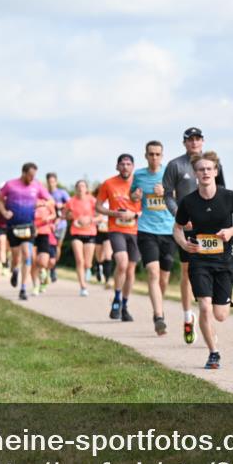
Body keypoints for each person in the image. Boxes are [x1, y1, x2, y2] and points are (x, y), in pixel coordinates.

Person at [173, 151, 233, 369]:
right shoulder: (188, 202)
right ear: (195, 173)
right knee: (205, 308)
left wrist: (231, 230)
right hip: (199, 260)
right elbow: (177, 228)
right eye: (201, 169)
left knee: (220, 315)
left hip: (225, 260)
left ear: (215, 172)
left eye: (209, 169)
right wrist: (183, 244)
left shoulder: (228, 196)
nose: (205, 172)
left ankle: (220, 309)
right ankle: (213, 353)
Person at [164, 127, 227, 344]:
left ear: (202, 141)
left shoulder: (212, 163)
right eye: (190, 139)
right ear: (184, 143)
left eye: (197, 139)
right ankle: (187, 316)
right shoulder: (176, 165)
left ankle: (208, 313)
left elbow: (223, 192)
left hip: (211, 229)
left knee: (214, 268)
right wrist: (178, 216)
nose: (194, 143)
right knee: (187, 271)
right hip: (189, 226)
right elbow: (167, 195)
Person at [132, 140, 178, 335]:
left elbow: (180, 195)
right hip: (146, 229)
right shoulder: (139, 175)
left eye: (157, 154)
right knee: (153, 272)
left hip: (168, 230)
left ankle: (158, 306)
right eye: (151, 154)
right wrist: (135, 195)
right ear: (145, 155)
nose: (154, 157)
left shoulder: (170, 173)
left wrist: (167, 192)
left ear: (162, 155)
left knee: (164, 278)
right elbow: (133, 195)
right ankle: (158, 316)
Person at [96, 154, 143, 321]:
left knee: (130, 270)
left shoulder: (140, 184)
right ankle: (116, 298)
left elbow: (147, 209)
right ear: (117, 166)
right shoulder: (108, 183)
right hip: (116, 229)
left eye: (128, 164)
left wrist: (135, 214)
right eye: (122, 164)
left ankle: (124, 305)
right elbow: (98, 206)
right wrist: (112, 213)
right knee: (122, 264)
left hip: (135, 231)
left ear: (133, 167)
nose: (125, 167)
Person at [0, 162, 53, 301]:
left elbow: (50, 200)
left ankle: (23, 288)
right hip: (13, 226)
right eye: (30, 175)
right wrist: (4, 212)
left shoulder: (37, 185)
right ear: (23, 173)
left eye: (34, 176)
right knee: (16, 257)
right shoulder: (10, 185)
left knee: (27, 255)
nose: (32, 178)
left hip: (29, 226)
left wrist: (44, 203)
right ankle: (14, 270)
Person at [64, 179, 98, 297]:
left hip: (90, 232)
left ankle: (88, 268)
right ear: (76, 188)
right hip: (76, 232)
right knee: (79, 260)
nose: (80, 188)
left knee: (87, 263)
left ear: (86, 189)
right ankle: (83, 287)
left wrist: (90, 220)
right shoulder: (71, 201)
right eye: (78, 186)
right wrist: (69, 216)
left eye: (83, 186)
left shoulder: (92, 200)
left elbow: (101, 216)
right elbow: (64, 215)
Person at [46, 172, 70, 283]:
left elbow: (71, 204)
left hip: (61, 224)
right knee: (49, 247)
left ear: (56, 182)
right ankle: (50, 268)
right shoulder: (45, 194)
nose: (51, 184)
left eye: (53, 181)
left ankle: (53, 268)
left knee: (57, 247)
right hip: (49, 225)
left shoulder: (62, 193)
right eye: (49, 182)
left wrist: (62, 205)